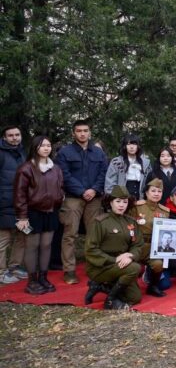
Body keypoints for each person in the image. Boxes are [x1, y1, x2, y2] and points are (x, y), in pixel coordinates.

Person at [56, 119, 108, 285]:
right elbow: (64, 175)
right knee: (70, 234)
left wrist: (94, 189)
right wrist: (81, 191)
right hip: (73, 198)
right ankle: (69, 270)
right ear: (73, 133)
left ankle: (93, 266)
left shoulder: (98, 153)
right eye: (79, 131)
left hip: (94, 198)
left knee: (94, 234)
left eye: (85, 130)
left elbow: (104, 173)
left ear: (90, 133)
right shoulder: (65, 152)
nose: (82, 134)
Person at [13, 136, 63, 294]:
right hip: (32, 213)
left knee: (46, 245)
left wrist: (59, 198)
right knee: (32, 246)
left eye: (49, 145)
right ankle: (32, 280)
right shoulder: (26, 168)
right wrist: (22, 216)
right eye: (42, 145)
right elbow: (19, 194)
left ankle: (43, 277)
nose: (46, 148)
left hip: (51, 211)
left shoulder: (56, 168)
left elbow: (60, 187)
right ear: (35, 148)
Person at [84, 185, 144, 310]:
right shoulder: (100, 222)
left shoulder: (131, 222)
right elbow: (91, 250)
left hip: (122, 265)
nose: (121, 205)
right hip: (101, 267)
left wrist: (130, 255)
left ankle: (99, 287)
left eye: (125, 202)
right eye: (118, 201)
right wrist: (114, 260)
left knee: (135, 298)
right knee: (135, 268)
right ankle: (110, 300)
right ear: (111, 202)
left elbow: (138, 244)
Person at [127, 178, 170, 298]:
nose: (156, 194)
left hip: (153, 248)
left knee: (158, 264)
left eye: (159, 191)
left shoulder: (165, 211)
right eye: (153, 191)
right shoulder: (137, 207)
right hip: (137, 245)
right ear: (146, 192)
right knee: (132, 267)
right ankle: (128, 285)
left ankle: (152, 286)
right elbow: (128, 225)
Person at [0, 125, 27, 284]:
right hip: (4, 202)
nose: (14, 138)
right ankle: (1, 272)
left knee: (23, 234)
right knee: (3, 239)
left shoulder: (22, 152)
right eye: (10, 135)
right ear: (4, 138)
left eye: (17, 134)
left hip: (21, 203)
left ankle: (14, 266)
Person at [104, 134, 151, 199]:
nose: (131, 147)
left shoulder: (146, 163)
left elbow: (149, 184)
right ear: (124, 146)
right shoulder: (116, 162)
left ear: (138, 146)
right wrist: (117, 200)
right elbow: (109, 184)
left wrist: (145, 199)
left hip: (140, 199)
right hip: (121, 199)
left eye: (134, 144)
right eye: (128, 144)